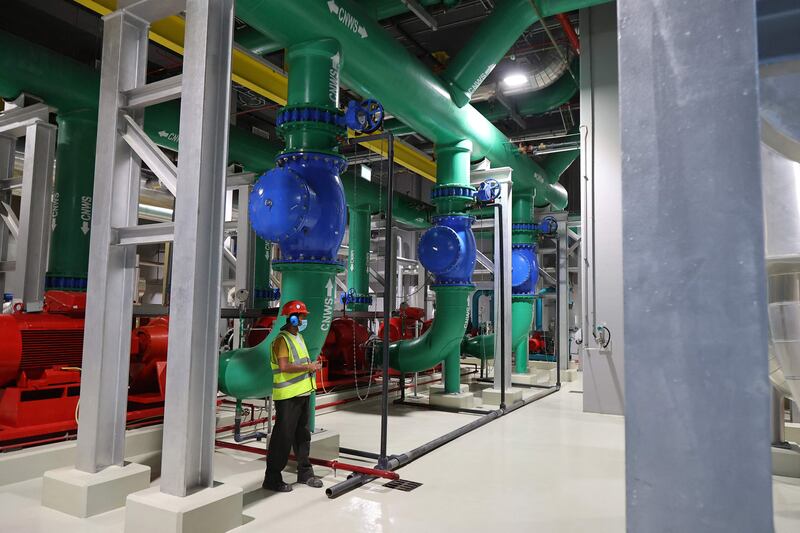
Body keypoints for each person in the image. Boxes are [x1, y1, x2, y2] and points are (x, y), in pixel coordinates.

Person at [262, 300, 324, 492]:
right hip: (288, 397)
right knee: (283, 437)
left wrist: (311, 367)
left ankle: (305, 473)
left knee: (302, 435)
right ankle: (272, 478)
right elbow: (284, 367)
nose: (304, 320)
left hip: (303, 393)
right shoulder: (282, 340)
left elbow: (300, 363)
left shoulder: (299, 338)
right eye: (302, 317)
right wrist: (309, 367)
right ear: (294, 319)